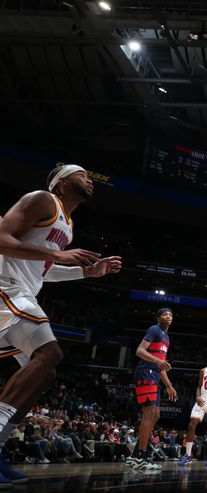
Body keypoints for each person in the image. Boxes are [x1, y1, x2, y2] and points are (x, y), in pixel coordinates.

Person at [0, 164, 121, 484]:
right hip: (5, 286)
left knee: (44, 374)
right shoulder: (41, 200)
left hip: (22, 293)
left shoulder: (67, 225)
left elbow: (44, 267)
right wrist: (61, 257)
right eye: (83, 175)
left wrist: (86, 271)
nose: (90, 181)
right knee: (50, 354)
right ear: (63, 183)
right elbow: (1, 239)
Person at [127, 307, 177, 471]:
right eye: (164, 314)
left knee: (156, 414)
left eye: (170, 315)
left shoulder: (166, 338)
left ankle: (135, 454)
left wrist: (169, 386)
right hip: (145, 372)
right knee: (149, 413)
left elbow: (161, 365)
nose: (168, 317)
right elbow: (140, 351)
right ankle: (141, 455)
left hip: (154, 373)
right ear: (158, 318)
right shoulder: (154, 329)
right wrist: (156, 361)